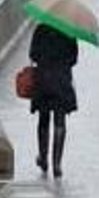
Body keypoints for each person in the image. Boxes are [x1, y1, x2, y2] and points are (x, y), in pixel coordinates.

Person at [27, 23, 78, 179]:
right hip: (62, 81)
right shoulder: (69, 30)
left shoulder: (41, 28)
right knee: (60, 120)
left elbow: (33, 54)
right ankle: (57, 165)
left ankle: (43, 158)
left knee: (43, 119)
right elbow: (74, 59)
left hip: (43, 79)